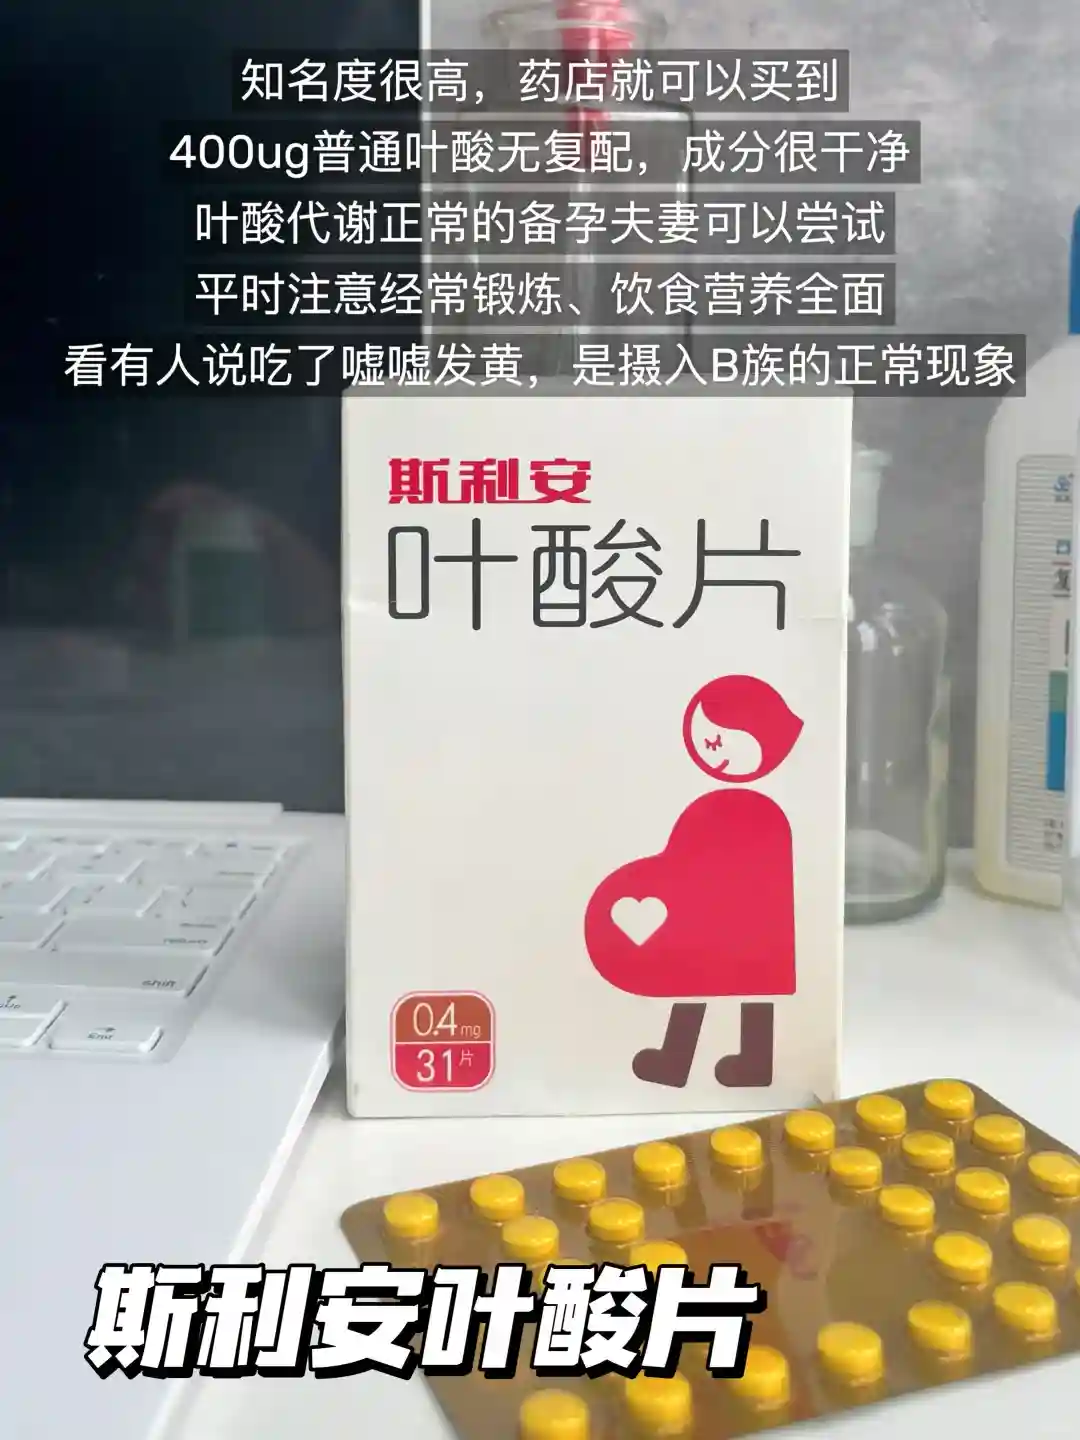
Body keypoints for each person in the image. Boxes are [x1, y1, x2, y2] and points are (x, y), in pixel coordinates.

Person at [584, 674, 803, 1088]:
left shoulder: (762, 814)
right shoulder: (711, 807)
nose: (713, 750)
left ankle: (753, 1063)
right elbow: (681, 861)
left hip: (748, 925)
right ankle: (676, 1061)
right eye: (707, 740)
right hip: (711, 920)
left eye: (724, 739)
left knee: (751, 991)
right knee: (693, 980)